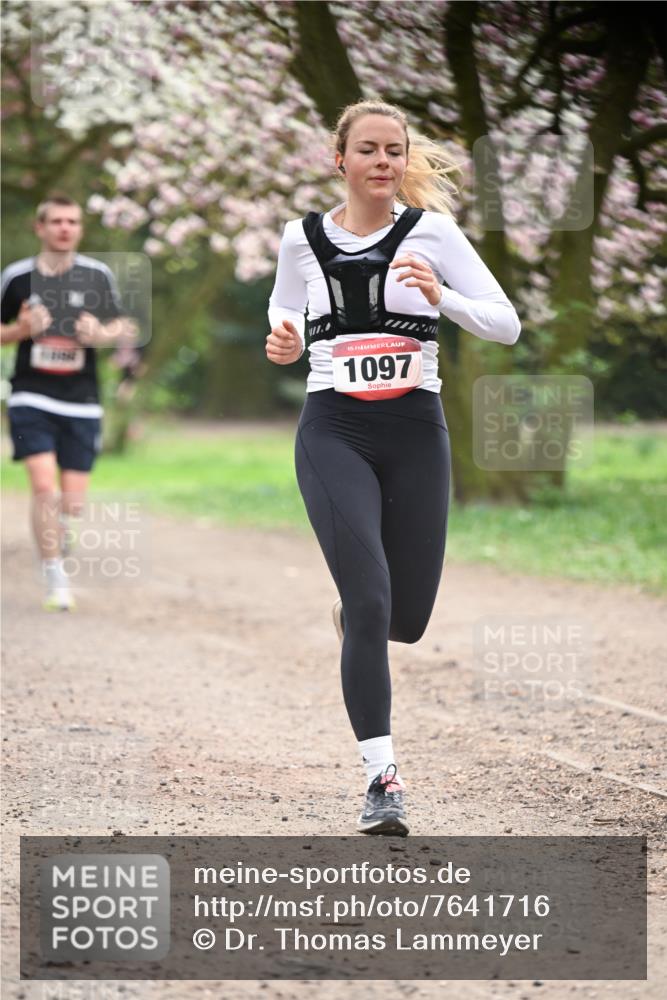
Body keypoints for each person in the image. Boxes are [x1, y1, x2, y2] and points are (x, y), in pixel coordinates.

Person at [266, 100, 521, 836]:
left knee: (400, 619)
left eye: (394, 151)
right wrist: (281, 341)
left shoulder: (434, 233)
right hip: (332, 429)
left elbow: (505, 322)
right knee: (375, 600)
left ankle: (358, 616)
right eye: (369, 150)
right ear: (337, 158)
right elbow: (283, 315)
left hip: (415, 431)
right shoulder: (300, 238)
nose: (383, 162)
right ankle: (382, 780)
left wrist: (444, 298)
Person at [1, 192, 134, 611]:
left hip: (81, 401)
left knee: (71, 504)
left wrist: (100, 333)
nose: (64, 228)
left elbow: (124, 326)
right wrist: (20, 330)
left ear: (80, 229)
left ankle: (59, 530)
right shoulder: (17, 277)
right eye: (55, 221)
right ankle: (55, 576)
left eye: (72, 221)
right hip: (30, 395)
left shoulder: (96, 276)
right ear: (40, 228)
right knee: (44, 486)